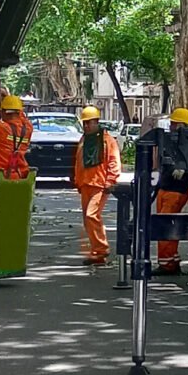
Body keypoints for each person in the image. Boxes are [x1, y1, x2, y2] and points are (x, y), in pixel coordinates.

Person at [73, 106, 121, 266]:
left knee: (91, 215)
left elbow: (114, 162)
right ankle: (97, 252)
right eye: (84, 123)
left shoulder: (108, 141)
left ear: (97, 122)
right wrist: (77, 181)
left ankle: (101, 249)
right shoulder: (83, 140)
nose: (86, 126)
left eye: (89, 123)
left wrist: (110, 181)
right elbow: (78, 162)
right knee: (88, 220)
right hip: (85, 184)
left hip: (100, 185)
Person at [155, 107, 188, 276]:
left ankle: (167, 264)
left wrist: (183, 169)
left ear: (182, 125)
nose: (171, 126)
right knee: (165, 227)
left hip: (176, 190)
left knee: (166, 229)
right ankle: (172, 260)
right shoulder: (174, 142)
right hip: (166, 187)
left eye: (174, 124)